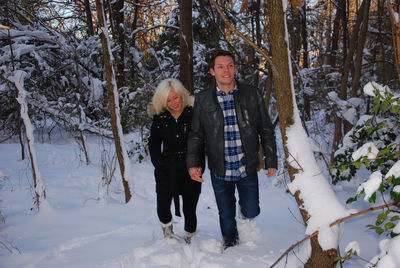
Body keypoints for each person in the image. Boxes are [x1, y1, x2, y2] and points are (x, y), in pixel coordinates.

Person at [186, 50, 277, 250]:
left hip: (247, 166)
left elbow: (266, 129)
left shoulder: (251, 93)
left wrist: (271, 159)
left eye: (230, 65)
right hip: (220, 169)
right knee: (226, 216)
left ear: (235, 68)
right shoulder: (203, 99)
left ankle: (244, 218)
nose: (226, 70)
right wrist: (193, 164)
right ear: (212, 71)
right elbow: (196, 135)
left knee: (252, 210)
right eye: (220, 66)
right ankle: (231, 248)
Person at [148, 78, 203, 244]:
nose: (173, 103)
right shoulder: (160, 118)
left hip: (190, 168)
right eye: (168, 100)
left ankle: (190, 236)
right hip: (167, 169)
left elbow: (201, 142)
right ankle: (168, 232)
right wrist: (160, 165)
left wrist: (199, 166)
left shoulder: (194, 113)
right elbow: (154, 145)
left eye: (176, 98)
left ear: (182, 95)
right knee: (163, 206)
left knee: (189, 208)